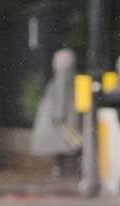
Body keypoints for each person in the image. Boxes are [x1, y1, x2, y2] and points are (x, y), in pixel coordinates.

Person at [30, 47, 81, 176]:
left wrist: (59, 114)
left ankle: (62, 170)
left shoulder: (62, 76)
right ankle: (66, 169)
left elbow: (61, 96)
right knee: (70, 144)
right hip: (69, 117)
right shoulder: (72, 75)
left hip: (62, 119)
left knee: (67, 144)